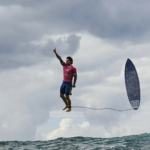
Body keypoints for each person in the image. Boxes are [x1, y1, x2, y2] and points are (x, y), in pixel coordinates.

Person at [53, 48, 77, 112]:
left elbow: (75, 76)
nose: (66, 61)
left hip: (69, 84)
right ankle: (66, 104)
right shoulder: (64, 65)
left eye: (68, 60)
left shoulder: (73, 68)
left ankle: (69, 108)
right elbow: (59, 58)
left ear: (71, 61)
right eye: (66, 60)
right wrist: (55, 53)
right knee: (61, 95)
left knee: (67, 97)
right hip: (63, 82)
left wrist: (74, 84)